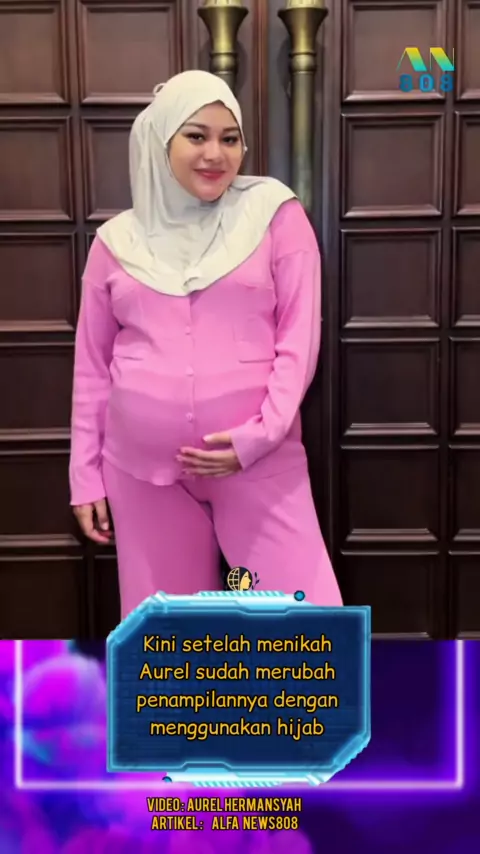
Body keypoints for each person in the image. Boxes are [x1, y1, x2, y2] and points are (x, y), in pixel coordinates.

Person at [69, 69, 342, 619]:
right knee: (169, 631)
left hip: (259, 464)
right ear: (162, 140)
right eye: (196, 136)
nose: (216, 154)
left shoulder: (274, 216)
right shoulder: (116, 242)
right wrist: (85, 475)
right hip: (142, 472)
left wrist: (258, 437)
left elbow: (299, 341)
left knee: (307, 622)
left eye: (230, 138)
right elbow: (93, 366)